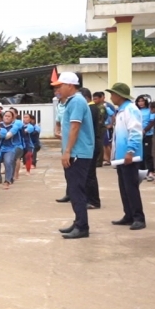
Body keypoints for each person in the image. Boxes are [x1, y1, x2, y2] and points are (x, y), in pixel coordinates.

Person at [55, 72, 96, 239]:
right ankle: (79, 221)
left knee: (76, 189)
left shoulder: (77, 101)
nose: (58, 89)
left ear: (70, 85)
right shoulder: (72, 101)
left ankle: (82, 226)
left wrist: (67, 152)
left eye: (60, 85)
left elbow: (75, 127)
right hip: (76, 151)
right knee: (74, 189)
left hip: (78, 153)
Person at [106, 83, 146, 230]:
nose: (111, 97)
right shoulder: (121, 110)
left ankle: (138, 217)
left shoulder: (131, 110)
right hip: (121, 157)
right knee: (124, 187)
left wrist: (130, 151)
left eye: (113, 94)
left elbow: (135, 131)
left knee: (131, 187)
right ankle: (128, 215)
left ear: (119, 95)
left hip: (129, 156)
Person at [77, 91, 102, 209]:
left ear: (85, 98)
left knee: (90, 174)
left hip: (92, 143)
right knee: (88, 173)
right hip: (92, 143)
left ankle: (94, 201)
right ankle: (89, 198)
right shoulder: (91, 107)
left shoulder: (91, 109)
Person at [137, 95, 155, 181]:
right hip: (137, 134)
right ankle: (142, 171)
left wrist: (145, 130)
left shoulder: (149, 110)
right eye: (139, 101)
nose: (141, 103)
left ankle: (150, 171)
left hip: (147, 134)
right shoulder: (136, 110)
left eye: (142, 101)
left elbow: (152, 122)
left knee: (147, 153)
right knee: (140, 154)